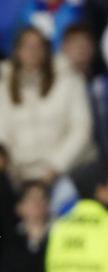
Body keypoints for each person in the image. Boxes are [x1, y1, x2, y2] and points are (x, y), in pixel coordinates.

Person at [0, 27, 95, 183]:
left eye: (38, 46)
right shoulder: (4, 85)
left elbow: (81, 129)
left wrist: (56, 167)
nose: (32, 52)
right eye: (27, 46)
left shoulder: (69, 79)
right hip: (18, 175)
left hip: (66, 171)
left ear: (46, 50)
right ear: (17, 51)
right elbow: (2, 134)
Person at [0, 180, 50, 272]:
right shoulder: (8, 241)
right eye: (32, 199)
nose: (38, 204)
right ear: (19, 207)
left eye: (42, 198)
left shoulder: (58, 237)